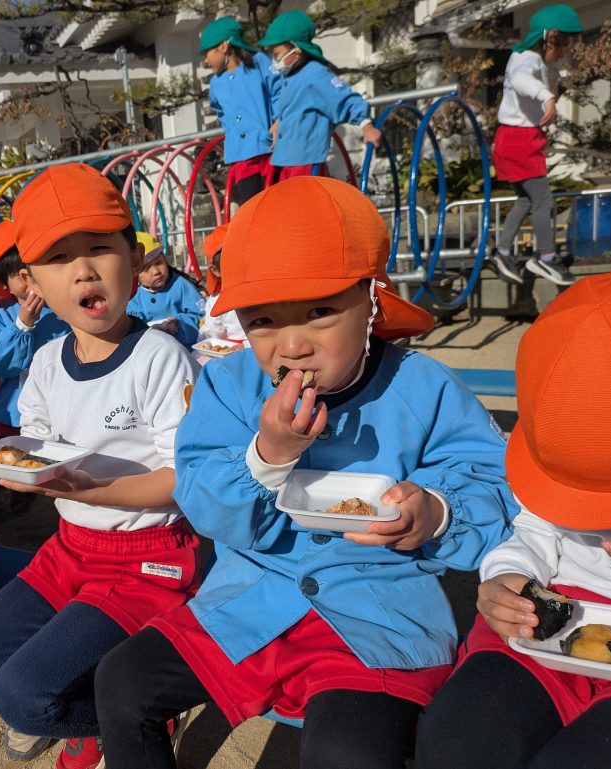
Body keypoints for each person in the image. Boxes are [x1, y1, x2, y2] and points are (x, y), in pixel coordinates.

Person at [94, 177, 517, 769]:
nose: (292, 345)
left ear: (370, 300)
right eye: (262, 319)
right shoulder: (227, 386)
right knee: (121, 683)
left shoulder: (421, 386)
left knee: (347, 750)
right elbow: (201, 498)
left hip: (378, 609)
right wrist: (266, 454)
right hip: (249, 597)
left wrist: (436, 512)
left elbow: (493, 483)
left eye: (320, 312)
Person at [0, 164, 201, 769]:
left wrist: (94, 491)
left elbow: (185, 480)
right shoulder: (47, 362)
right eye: (59, 259)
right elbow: (35, 446)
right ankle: (111, 702)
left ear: (133, 261)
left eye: (99, 249)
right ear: (31, 283)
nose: (83, 270)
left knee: (25, 697)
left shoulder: (160, 358)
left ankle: (138, 713)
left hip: (147, 559)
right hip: (70, 548)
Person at [416, 265, 611, 769]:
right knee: (457, 742)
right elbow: (536, 526)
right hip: (554, 618)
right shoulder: (571, 442)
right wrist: (508, 575)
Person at [491, 4, 582, 288]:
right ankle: (545, 257)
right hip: (519, 140)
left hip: (515, 138)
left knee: (526, 200)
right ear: (550, 37)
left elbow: (538, 85)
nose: (564, 51)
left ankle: (502, 252)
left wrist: (556, 90)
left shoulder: (536, 62)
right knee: (543, 201)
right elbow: (521, 81)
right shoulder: (526, 57)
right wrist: (547, 97)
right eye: (563, 43)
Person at [258, 11, 381, 181]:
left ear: (296, 50)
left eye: (277, 54)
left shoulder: (315, 74)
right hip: (285, 159)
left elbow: (344, 99)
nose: (274, 60)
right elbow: (294, 108)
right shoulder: (290, 76)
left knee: (307, 197)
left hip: (305, 160)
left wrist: (367, 126)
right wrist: (280, 122)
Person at [0, 220, 68, 436]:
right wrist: (23, 325)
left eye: (34, 265)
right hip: (15, 415)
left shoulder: (65, 302)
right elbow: (2, 365)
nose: (29, 277)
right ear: (3, 284)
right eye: (19, 274)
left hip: (66, 406)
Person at [200, 16, 282, 206]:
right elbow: (220, 111)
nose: (206, 60)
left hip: (267, 149)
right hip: (241, 156)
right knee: (250, 209)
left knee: (275, 204)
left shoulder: (259, 63)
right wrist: (232, 133)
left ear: (224, 47)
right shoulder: (216, 83)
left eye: (208, 52)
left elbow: (278, 90)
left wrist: (279, 119)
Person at [126, 232, 204, 348]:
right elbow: (130, 324)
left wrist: (179, 323)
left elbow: (201, 315)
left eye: (158, 263)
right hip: (152, 348)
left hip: (184, 346)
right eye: (146, 268)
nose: (156, 271)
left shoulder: (180, 285)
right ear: (135, 275)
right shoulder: (135, 296)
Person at [196, 223, 247, 346]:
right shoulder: (217, 299)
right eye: (232, 266)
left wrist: (246, 345)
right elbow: (211, 332)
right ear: (216, 271)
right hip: (231, 348)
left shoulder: (263, 291)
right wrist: (204, 344)